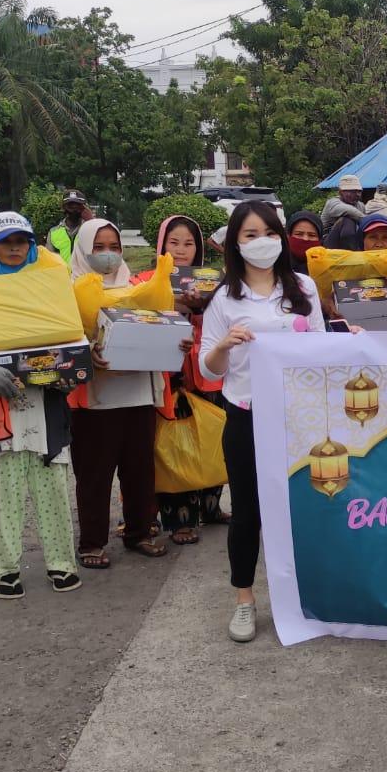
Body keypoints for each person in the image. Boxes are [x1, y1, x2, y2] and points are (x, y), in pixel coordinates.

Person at [199, 201, 326, 643]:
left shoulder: (303, 288)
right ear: (235, 242)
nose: (261, 243)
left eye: (269, 233)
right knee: (248, 512)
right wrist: (226, 345)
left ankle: (304, 596)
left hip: (298, 418)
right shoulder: (225, 298)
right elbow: (208, 369)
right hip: (246, 415)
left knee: (301, 506)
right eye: (250, 235)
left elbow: (324, 353)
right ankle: (244, 600)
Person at [0, 212, 81, 599]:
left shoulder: (52, 287)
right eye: (5, 242)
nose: (14, 248)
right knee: (3, 493)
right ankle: (4, 569)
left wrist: (68, 369)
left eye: (21, 241)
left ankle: (61, 563)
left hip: (47, 404)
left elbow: (73, 333)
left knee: (53, 489)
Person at [67, 218, 169, 569]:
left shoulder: (140, 286)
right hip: (95, 400)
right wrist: (88, 351)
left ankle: (140, 531)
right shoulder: (68, 290)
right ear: (83, 249)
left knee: (140, 469)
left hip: (139, 393)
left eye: (114, 246)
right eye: (99, 247)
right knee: (94, 473)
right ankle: (92, 542)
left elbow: (163, 324)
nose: (108, 254)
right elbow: (61, 341)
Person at [138, 214, 227, 545]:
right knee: (177, 447)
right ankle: (179, 520)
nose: (181, 250)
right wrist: (173, 305)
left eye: (189, 243)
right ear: (161, 244)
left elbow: (224, 324)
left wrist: (202, 308)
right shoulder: (145, 281)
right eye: (173, 242)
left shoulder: (213, 283)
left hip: (206, 374)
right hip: (170, 376)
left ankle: (212, 507)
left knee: (211, 440)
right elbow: (140, 317)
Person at [322, 175, 365, 250]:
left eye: (359, 191)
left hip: (354, 241)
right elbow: (349, 211)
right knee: (347, 220)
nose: (357, 194)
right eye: (352, 191)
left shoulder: (360, 205)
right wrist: (367, 221)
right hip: (328, 245)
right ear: (340, 192)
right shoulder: (332, 203)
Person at [47, 191, 89, 263]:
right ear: (63, 208)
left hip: (85, 274)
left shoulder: (90, 230)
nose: (74, 210)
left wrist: (91, 221)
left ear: (84, 208)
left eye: (77, 206)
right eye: (70, 206)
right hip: (60, 274)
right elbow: (49, 260)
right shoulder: (54, 232)